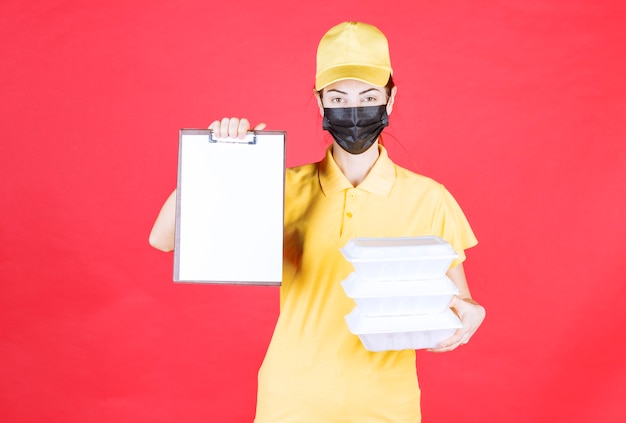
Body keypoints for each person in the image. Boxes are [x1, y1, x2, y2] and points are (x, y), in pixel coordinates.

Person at [149, 21, 485, 423]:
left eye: (369, 95)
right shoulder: (282, 187)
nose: (354, 108)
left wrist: (471, 312)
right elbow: (164, 238)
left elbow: (456, 301)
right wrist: (218, 159)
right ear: (321, 102)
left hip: (386, 406)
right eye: (338, 96)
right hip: (292, 401)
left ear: (390, 100)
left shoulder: (429, 198)